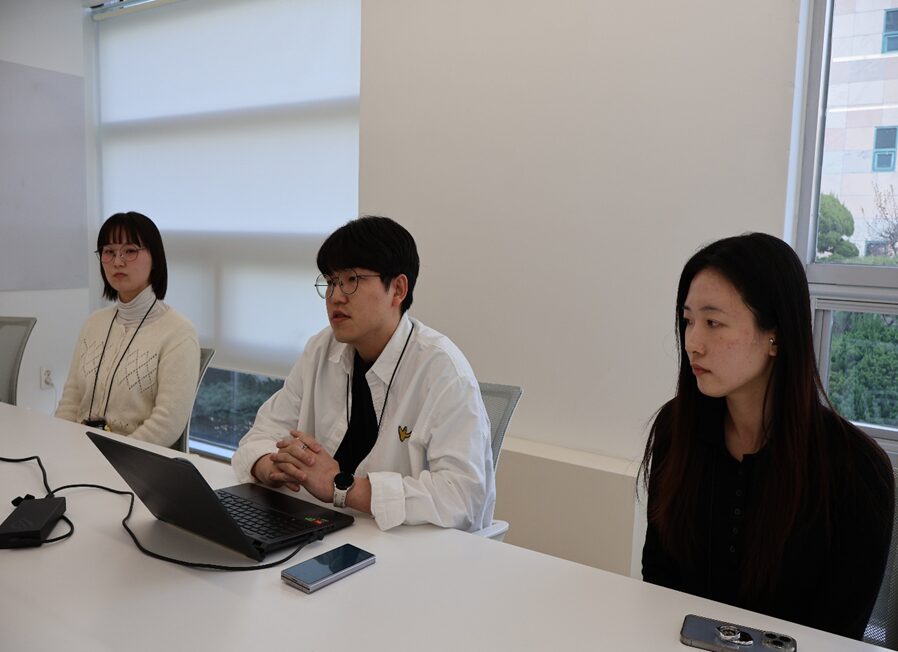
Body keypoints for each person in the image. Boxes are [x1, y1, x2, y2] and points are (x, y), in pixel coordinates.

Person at [640, 232, 894, 640]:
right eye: (688, 321)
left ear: (775, 335)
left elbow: (835, 635)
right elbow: (658, 584)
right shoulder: (676, 430)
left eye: (713, 322)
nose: (693, 344)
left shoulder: (856, 471)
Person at [231, 216, 495, 532]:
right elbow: (260, 436)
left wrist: (341, 486)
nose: (336, 296)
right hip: (326, 529)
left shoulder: (442, 371)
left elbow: (462, 499)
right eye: (331, 281)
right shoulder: (321, 349)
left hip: (407, 547)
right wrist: (271, 467)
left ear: (398, 289)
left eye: (352, 280)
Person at [56, 212, 200, 448]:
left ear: (155, 258)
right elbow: (71, 400)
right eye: (109, 252)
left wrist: (111, 456)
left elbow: (167, 423)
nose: (117, 262)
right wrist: (58, 443)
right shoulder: (94, 323)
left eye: (130, 251)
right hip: (79, 450)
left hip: (133, 460)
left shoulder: (178, 332)